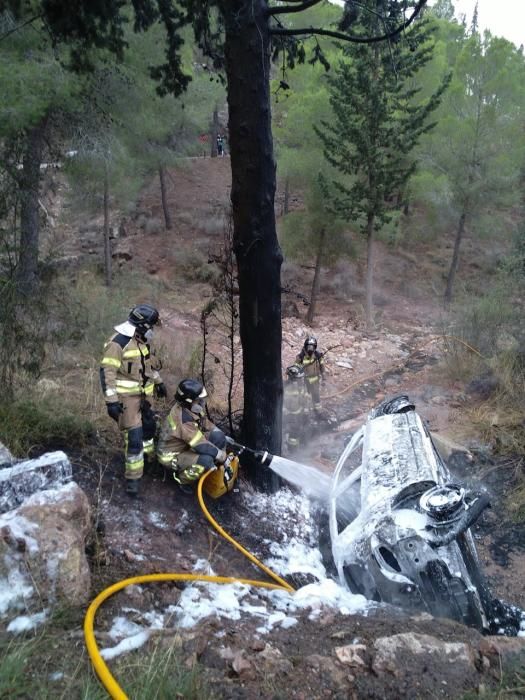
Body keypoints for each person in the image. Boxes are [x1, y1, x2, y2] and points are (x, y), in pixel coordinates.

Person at [99, 304, 167, 496]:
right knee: (135, 438)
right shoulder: (117, 343)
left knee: (148, 429)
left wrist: (159, 383)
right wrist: (111, 402)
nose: (152, 331)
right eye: (151, 326)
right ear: (143, 325)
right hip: (126, 401)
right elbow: (106, 373)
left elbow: (148, 366)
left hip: (145, 398)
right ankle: (133, 480)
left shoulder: (142, 341)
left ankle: (148, 459)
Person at [156, 379, 228, 492]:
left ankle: (207, 469)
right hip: (171, 455)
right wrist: (221, 456)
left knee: (218, 437)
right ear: (188, 401)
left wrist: (218, 432)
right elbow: (200, 445)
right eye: (198, 400)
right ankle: (181, 480)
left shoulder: (191, 409)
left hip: (185, 445)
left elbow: (205, 423)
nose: (202, 402)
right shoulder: (182, 419)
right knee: (206, 460)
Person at [283, 364, 309, 452]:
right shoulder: (284, 387)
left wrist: (306, 409)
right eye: (299, 378)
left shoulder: (301, 386)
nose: (301, 379)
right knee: (291, 434)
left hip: (298, 414)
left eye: (301, 378)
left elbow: (305, 397)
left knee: (298, 431)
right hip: (287, 415)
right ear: (292, 378)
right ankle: (291, 450)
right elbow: (279, 401)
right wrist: (284, 410)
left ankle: (297, 447)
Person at [295, 336, 325, 412]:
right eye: (309, 346)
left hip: (315, 380)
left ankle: (318, 410)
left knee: (316, 395)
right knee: (305, 396)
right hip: (305, 380)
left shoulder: (318, 355)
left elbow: (322, 367)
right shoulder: (301, 357)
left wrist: (324, 378)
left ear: (315, 347)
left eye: (312, 346)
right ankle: (305, 413)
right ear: (305, 346)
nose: (310, 348)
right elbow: (296, 369)